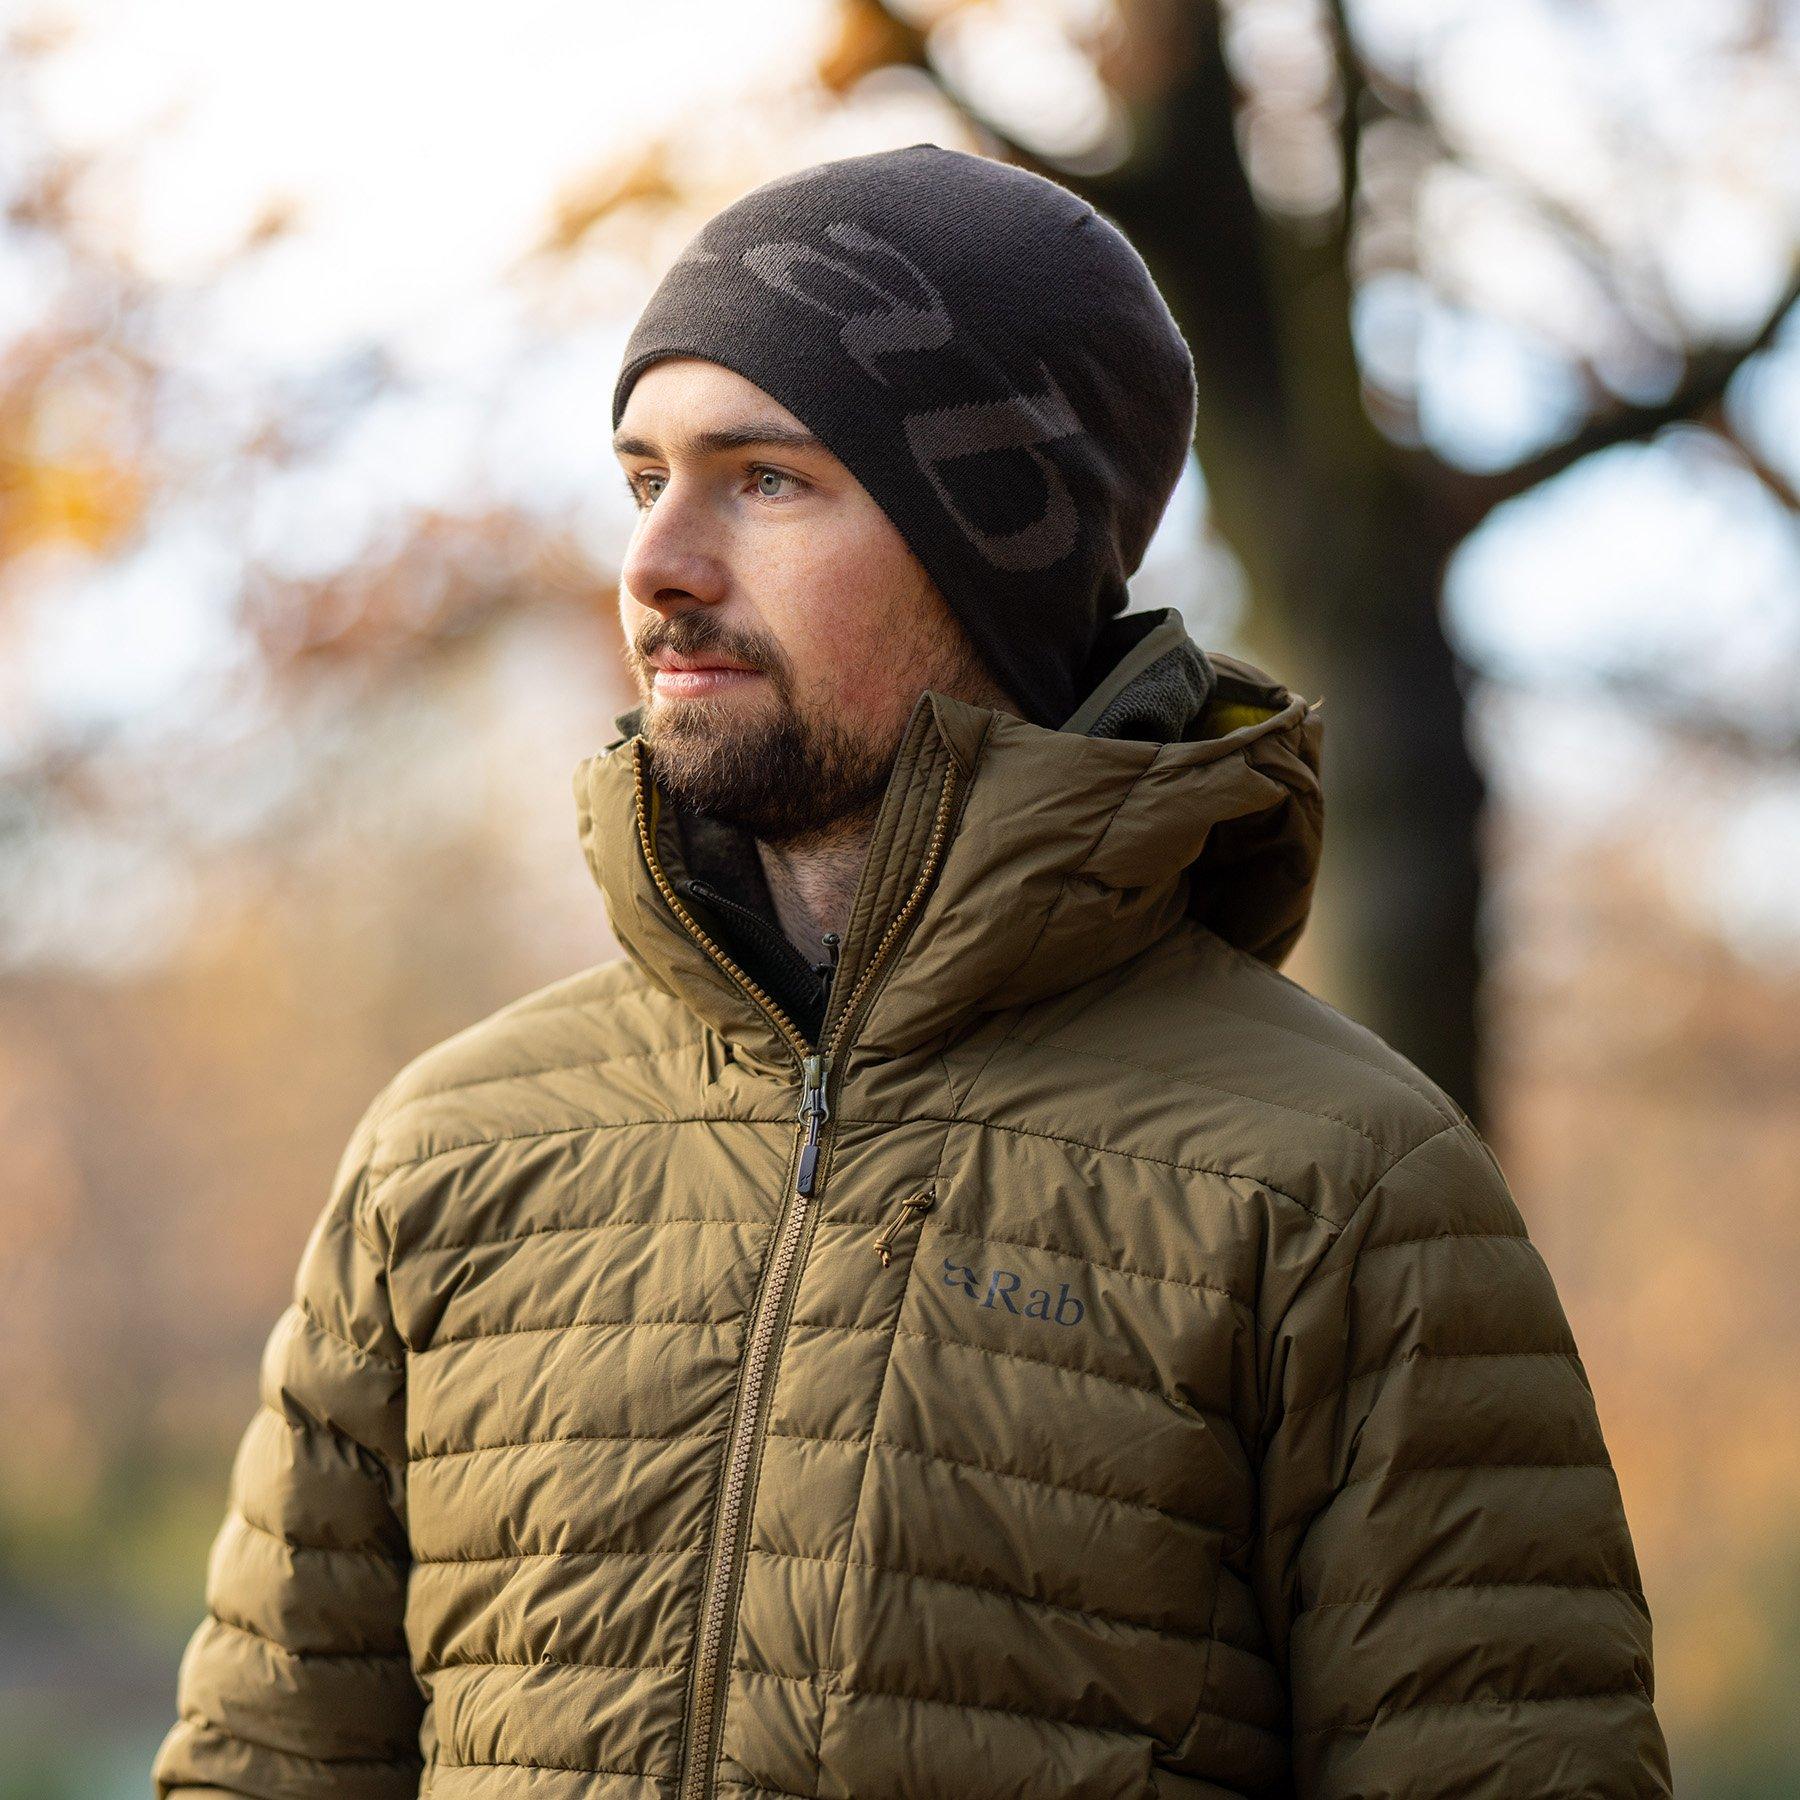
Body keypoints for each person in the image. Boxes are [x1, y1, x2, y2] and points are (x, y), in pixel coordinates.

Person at [152, 143, 1671, 1800]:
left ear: (1001, 550)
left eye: (769, 479)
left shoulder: (1340, 1189)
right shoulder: (447, 1155)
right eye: (642, 477)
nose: (661, 564)